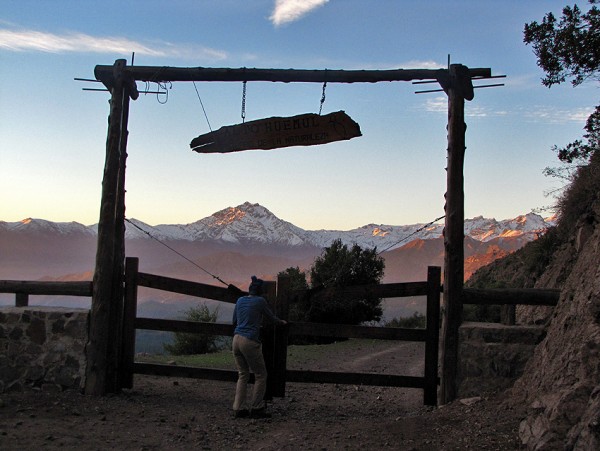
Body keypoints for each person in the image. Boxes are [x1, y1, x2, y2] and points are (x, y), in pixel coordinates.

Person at [232, 276, 286, 419]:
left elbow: (234, 321)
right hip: (249, 341)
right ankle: (256, 408)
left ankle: (238, 408)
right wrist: (281, 322)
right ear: (261, 291)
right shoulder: (260, 301)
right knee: (261, 374)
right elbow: (271, 318)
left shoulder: (240, 300)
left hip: (236, 340)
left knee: (242, 374)